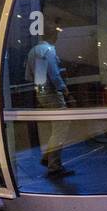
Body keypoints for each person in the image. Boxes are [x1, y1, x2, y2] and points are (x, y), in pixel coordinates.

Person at [26, 27, 72, 178]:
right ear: (53, 36)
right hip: (52, 93)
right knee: (61, 128)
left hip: (40, 92)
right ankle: (54, 165)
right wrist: (65, 90)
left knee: (56, 127)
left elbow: (29, 75)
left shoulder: (33, 51)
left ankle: (48, 157)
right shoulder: (49, 50)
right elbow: (54, 74)